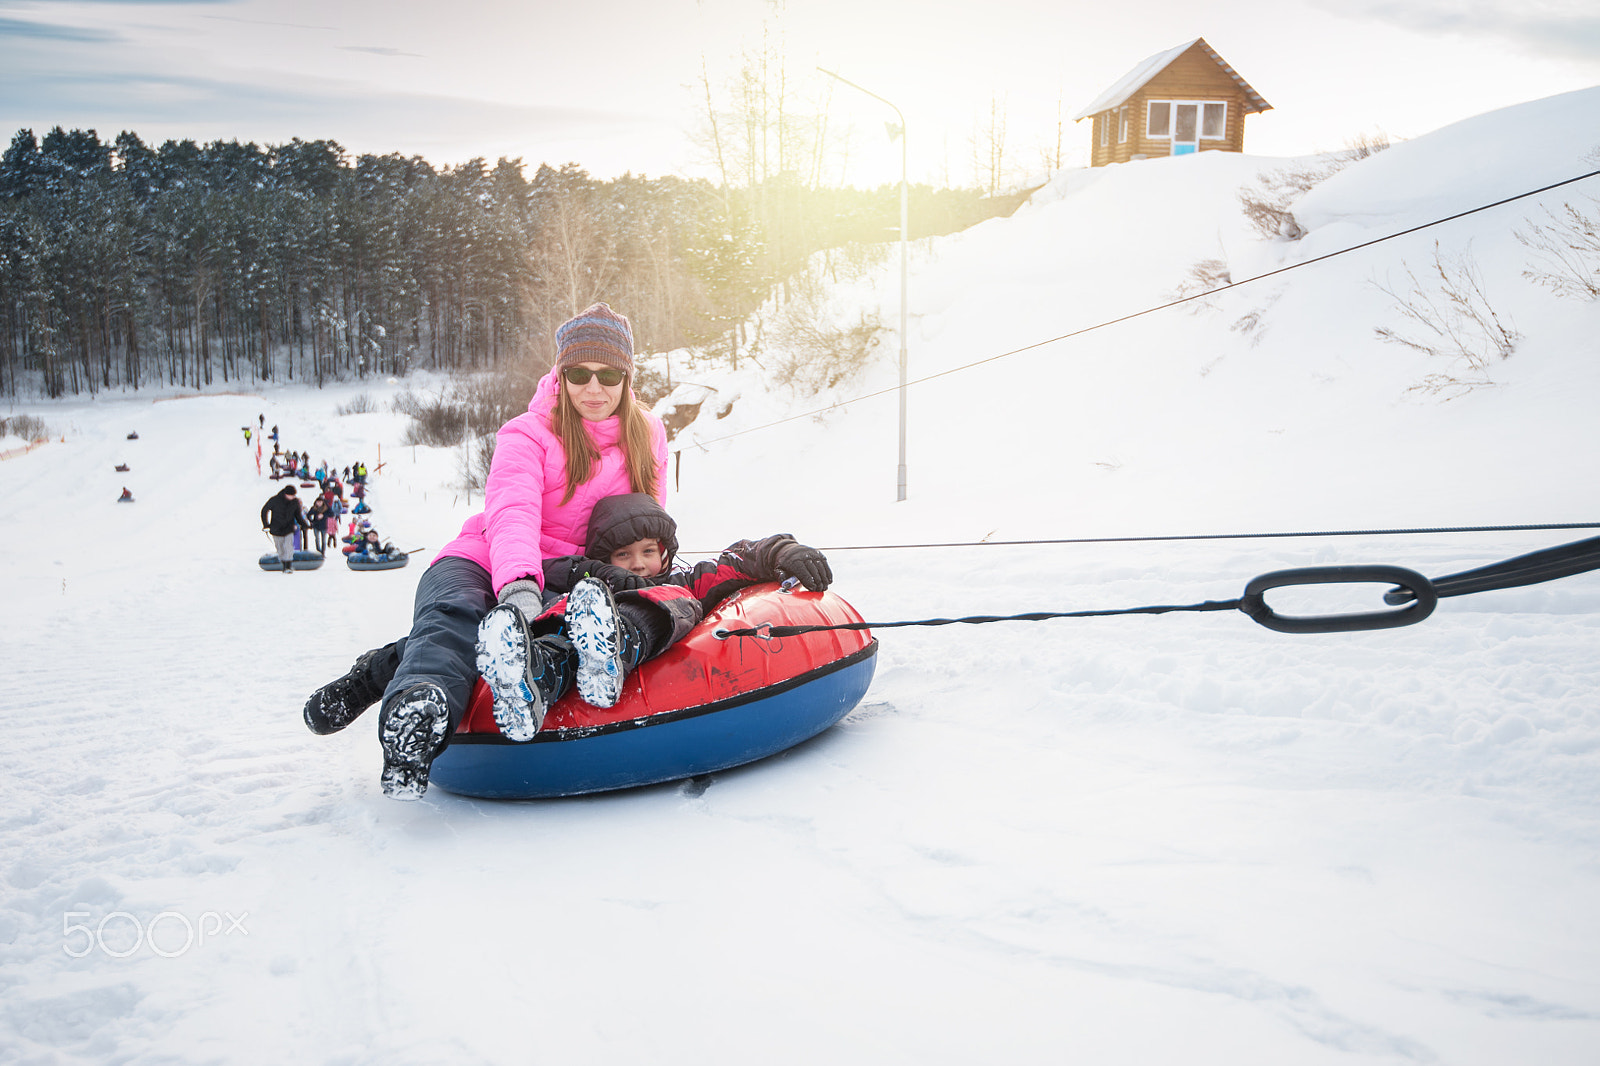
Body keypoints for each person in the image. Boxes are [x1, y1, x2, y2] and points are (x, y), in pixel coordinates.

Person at [302, 303, 669, 800]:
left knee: (543, 638)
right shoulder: (528, 434)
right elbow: (512, 514)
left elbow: (645, 517)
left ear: (627, 377)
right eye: (579, 373)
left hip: (569, 572)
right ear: (561, 375)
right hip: (484, 557)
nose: (594, 387)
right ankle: (416, 721)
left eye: (608, 374)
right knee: (457, 621)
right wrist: (519, 587)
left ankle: (376, 671)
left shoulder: (647, 434)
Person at [476, 492, 832, 739]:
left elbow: (738, 559)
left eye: (648, 551)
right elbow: (548, 567)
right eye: (623, 555)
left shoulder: (683, 581)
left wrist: (784, 550)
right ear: (606, 558)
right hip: (578, 627)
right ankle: (537, 676)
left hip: (639, 630)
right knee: (567, 612)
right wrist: (600, 575)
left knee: (672, 597)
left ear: (665, 553)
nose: (638, 563)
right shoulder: (593, 581)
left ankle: (615, 645)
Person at [261, 484, 309, 574]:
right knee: (280, 549)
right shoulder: (274, 500)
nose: (294, 497)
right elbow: (264, 510)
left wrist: (304, 524)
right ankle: (284, 565)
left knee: (288, 547)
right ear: (286, 494)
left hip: (289, 528)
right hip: (276, 528)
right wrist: (266, 525)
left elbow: (297, 515)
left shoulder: (295, 502)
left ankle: (288, 566)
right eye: (292, 495)